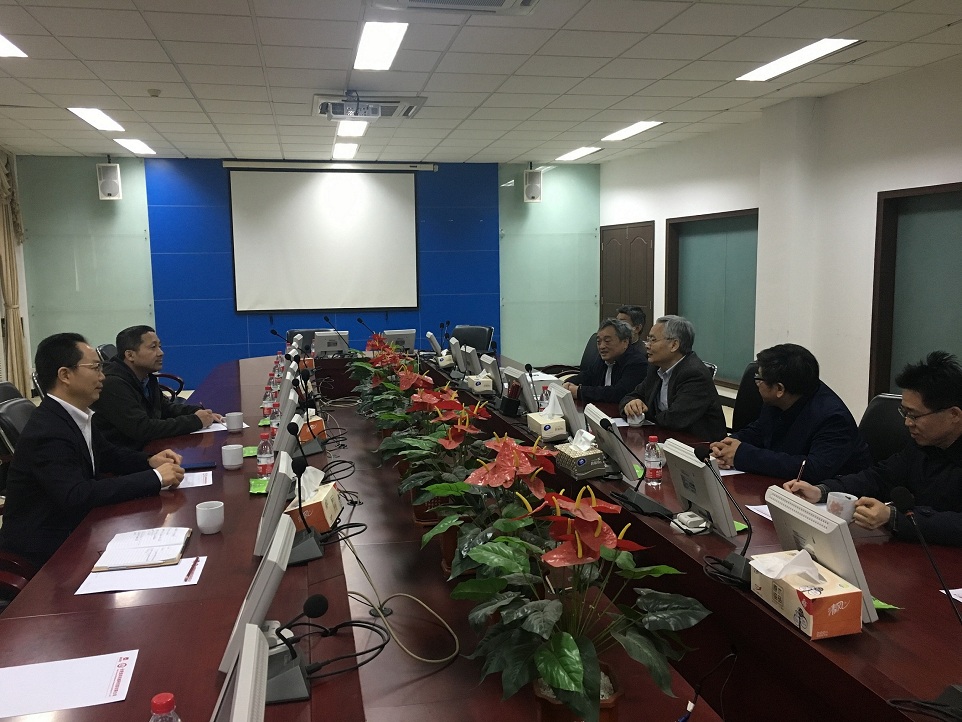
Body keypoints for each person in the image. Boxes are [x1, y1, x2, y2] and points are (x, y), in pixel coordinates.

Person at [0, 333, 184, 567]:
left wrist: (149, 461)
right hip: (45, 548)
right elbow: (77, 495)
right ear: (65, 375)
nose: (103, 376)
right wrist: (155, 478)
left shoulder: (76, 413)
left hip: (78, 526)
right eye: (95, 368)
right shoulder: (47, 430)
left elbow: (108, 455)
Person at [785, 351, 962, 547]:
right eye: (904, 412)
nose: (907, 422)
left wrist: (894, 517)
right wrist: (821, 491)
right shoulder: (922, 445)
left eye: (915, 415)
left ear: (954, 415)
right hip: (914, 548)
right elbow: (879, 478)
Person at [710, 344, 872, 480]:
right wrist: (729, 444)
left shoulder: (833, 418)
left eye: (759, 378)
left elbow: (812, 469)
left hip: (834, 498)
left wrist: (742, 455)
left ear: (779, 389)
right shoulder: (780, 399)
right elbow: (761, 430)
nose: (756, 383)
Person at [92, 325, 221, 449]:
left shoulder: (145, 376)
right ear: (130, 355)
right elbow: (143, 429)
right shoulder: (113, 384)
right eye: (153, 347)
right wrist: (195, 421)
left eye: (160, 346)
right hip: (128, 456)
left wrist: (195, 411)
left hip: (147, 447)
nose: (161, 353)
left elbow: (164, 408)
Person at [619, 315, 726, 441]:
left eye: (653, 340)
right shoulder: (656, 368)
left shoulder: (694, 374)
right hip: (667, 438)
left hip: (698, 445)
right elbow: (631, 396)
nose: (647, 345)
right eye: (648, 340)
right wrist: (631, 404)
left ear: (674, 345)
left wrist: (641, 414)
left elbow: (675, 419)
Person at [562, 318, 648, 404]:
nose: (601, 346)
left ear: (625, 342)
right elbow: (587, 376)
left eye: (607, 341)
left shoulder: (637, 363)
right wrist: (568, 383)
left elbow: (619, 393)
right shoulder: (603, 360)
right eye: (598, 342)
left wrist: (579, 391)